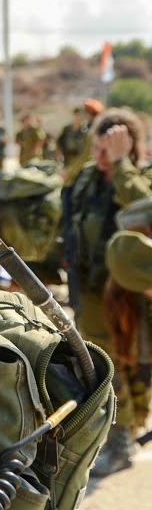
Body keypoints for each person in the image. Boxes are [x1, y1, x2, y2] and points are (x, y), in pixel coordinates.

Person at [63, 108, 152, 476]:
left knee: (127, 367)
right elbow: (70, 222)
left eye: (108, 150)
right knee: (101, 366)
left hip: (128, 297)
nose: (100, 158)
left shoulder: (138, 177)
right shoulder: (86, 177)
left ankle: (122, 442)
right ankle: (118, 434)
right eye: (97, 149)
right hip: (90, 291)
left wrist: (122, 164)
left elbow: (143, 210)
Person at [102, 197, 152, 475]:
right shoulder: (116, 292)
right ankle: (123, 439)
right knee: (116, 372)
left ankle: (128, 434)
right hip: (109, 310)